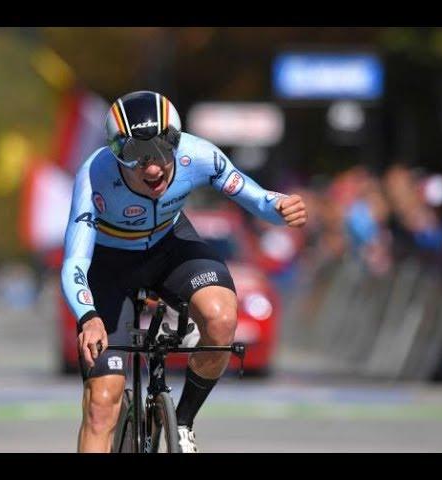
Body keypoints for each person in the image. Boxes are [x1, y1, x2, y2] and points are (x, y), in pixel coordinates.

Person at [61, 91, 307, 453]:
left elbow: (256, 199)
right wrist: (89, 315)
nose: (152, 168)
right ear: (116, 154)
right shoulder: (93, 177)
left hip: (170, 246)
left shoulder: (200, 154)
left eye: (162, 149)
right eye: (135, 156)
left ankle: (185, 421)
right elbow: (75, 261)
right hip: (109, 265)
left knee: (221, 319)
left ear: (176, 140)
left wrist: (281, 206)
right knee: (102, 403)